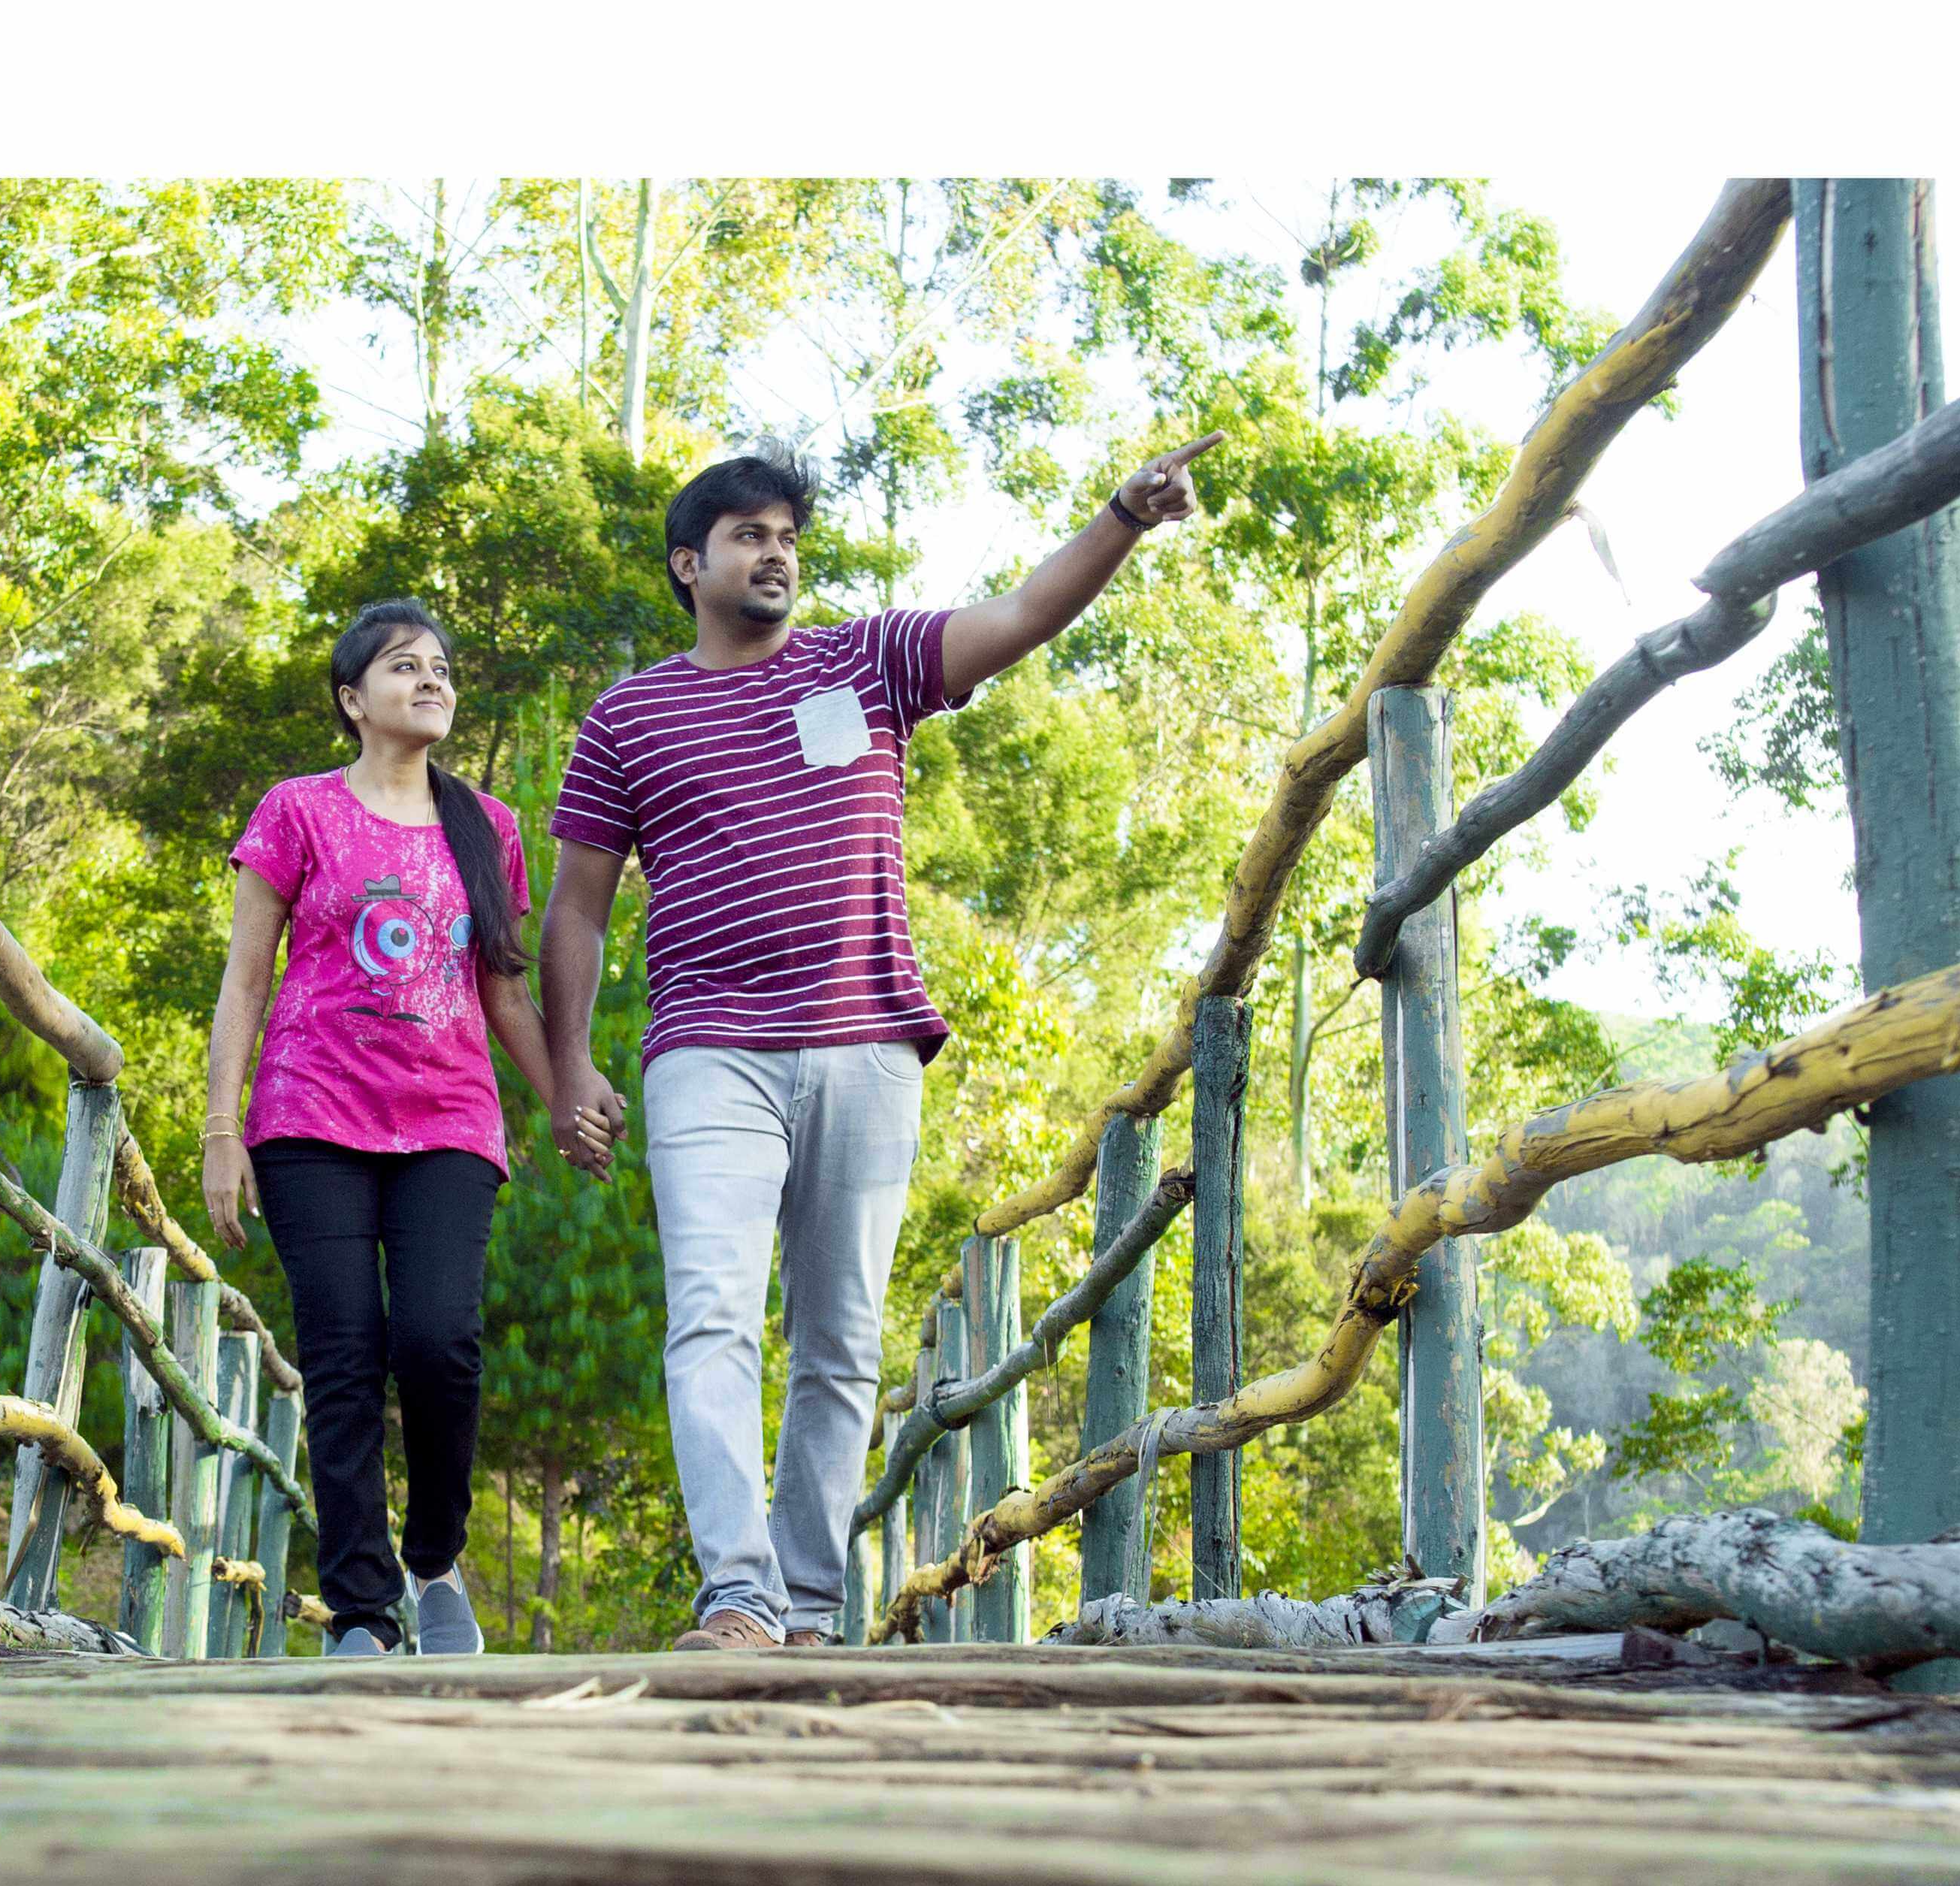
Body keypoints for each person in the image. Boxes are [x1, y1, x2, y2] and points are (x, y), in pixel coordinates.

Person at [540, 436, 1222, 1649]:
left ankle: (807, 1607)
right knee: (711, 1315)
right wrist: (571, 1062)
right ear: (690, 564)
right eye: (750, 536)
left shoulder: (871, 662)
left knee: (841, 1338)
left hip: (867, 1044)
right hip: (710, 1052)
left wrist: (1124, 515)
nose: (777, 555)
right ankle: (737, 1597)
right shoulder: (629, 716)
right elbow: (578, 906)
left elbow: (1020, 613)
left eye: (789, 538)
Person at [206, 600, 557, 1657]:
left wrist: (565, 1100)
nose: (432, 681)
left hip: (449, 1120)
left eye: (442, 667)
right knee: (345, 1353)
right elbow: (243, 979)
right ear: (354, 699)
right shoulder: (298, 810)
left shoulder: (485, 827)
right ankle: (361, 1610)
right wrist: (223, 1130)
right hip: (310, 1116)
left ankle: (434, 1559)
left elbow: (503, 995)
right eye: (405, 667)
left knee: (439, 1342)